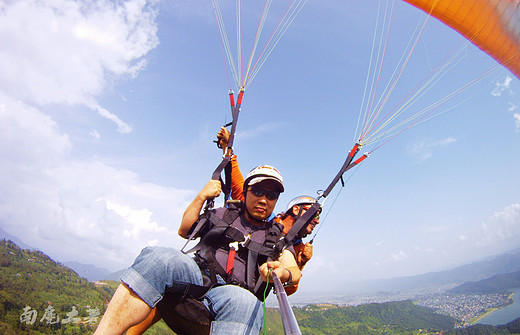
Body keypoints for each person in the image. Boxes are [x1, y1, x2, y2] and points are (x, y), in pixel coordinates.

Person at [94, 165, 301, 335]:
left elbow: (294, 270)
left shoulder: (277, 237)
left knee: (244, 301)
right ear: (246, 192)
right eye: (257, 191)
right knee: (159, 256)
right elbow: (185, 229)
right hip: (197, 277)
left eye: (271, 195)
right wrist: (202, 195)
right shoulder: (225, 214)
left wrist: (281, 272)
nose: (263, 199)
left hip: (233, 295)